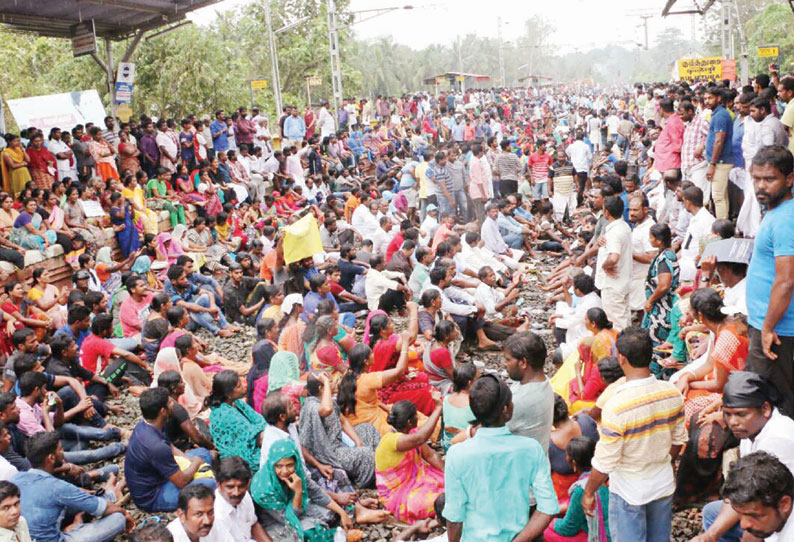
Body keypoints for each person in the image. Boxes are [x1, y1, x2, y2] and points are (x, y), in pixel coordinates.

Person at [582, 327, 686, 542]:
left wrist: (589, 491)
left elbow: (605, 461)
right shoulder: (672, 393)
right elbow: (678, 441)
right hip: (662, 483)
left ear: (621, 358)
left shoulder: (617, 406)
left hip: (630, 489)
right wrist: (667, 463)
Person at [443, 374, 559, 542]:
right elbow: (548, 508)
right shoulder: (531, 449)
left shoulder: (457, 454)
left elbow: (454, 516)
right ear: (505, 409)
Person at [695, 371, 794, 542]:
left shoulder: (778, 439)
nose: (732, 421)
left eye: (740, 414)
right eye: (728, 413)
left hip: (779, 513)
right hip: (767, 506)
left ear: (765, 409)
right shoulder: (750, 430)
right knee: (711, 512)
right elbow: (742, 489)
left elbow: (771, 501)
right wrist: (710, 536)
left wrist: (752, 534)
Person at [744, 146, 794, 416]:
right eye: (756, 178)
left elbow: (786, 281)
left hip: (777, 332)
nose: (761, 186)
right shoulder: (776, 213)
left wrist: (767, 328)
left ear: (789, 179)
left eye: (770, 179)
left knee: (777, 404)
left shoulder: (786, 219)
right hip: (767, 325)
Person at [15, 432, 130, 542]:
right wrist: (125, 514)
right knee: (118, 518)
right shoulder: (57, 487)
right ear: (51, 458)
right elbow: (104, 509)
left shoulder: (16, 478)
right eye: (60, 449)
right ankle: (112, 494)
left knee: (78, 500)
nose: (63, 452)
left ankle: (110, 494)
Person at [126, 388, 215, 513]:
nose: (173, 404)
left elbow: (171, 447)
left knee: (203, 453)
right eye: (170, 403)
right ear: (163, 411)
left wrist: (189, 461)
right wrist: (195, 463)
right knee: (211, 484)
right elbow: (181, 481)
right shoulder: (156, 446)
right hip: (153, 496)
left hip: (160, 475)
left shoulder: (147, 424)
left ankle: (201, 470)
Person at [251, 439, 348, 542]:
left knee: (334, 509)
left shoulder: (298, 472)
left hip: (297, 508)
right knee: (308, 533)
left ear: (295, 463)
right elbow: (290, 518)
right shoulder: (264, 489)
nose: (284, 471)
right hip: (278, 522)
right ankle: (339, 535)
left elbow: (316, 493)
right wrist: (298, 492)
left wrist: (342, 513)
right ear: (272, 464)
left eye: (289, 465)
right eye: (279, 466)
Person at [299, 373, 378, 489]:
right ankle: (362, 487)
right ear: (322, 388)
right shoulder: (311, 406)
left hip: (340, 440)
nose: (334, 383)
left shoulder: (330, 401)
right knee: (366, 454)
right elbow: (303, 445)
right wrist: (319, 465)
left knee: (367, 429)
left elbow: (343, 421)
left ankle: (380, 468)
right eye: (330, 382)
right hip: (330, 452)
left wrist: (358, 441)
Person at [544, 436, 610, 542]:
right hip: (614, 528)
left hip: (602, 536)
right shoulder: (604, 476)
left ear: (574, 462)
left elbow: (568, 528)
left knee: (545, 531)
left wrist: (550, 522)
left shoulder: (581, 489)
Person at [722, 451, 794, 542]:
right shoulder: (776, 520)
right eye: (739, 513)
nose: (743, 524)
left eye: (754, 515)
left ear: (784, 504)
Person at [503, 331, 554, 452]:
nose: (505, 364)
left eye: (508, 360)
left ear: (523, 363)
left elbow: (489, 432)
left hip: (521, 467)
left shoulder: (520, 401)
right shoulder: (543, 382)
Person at [208, 370, 267, 474]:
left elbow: (259, 420)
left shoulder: (237, 403)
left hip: (255, 442)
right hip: (240, 457)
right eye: (239, 386)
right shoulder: (223, 414)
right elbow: (251, 438)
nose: (244, 386)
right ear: (228, 393)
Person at [595, 196, 632, 331]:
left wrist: (605, 266)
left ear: (606, 212)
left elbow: (614, 257)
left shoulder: (615, 232)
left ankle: (621, 350)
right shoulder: (623, 227)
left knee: (616, 322)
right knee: (623, 318)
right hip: (621, 282)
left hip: (613, 284)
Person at [213, 457, 272, 542]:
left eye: (241, 486)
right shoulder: (216, 514)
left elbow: (253, 524)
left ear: (248, 483)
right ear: (218, 485)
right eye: (230, 487)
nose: (236, 493)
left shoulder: (245, 496)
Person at [641, 223, 678, 346]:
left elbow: (664, 285)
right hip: (663, 305)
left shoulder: (664, 258)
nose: (649, 240)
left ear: (659, 240)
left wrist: (650, 301)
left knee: (656, 344)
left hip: (662, 309)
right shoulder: (669, 253)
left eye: (651, 237)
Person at [704, 87, 734, 220]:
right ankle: (724, 223)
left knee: (718, 196)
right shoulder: (717, 114)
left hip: (720, 162)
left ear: (719, 98)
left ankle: (722, 228)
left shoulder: (721, 115)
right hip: (719, 161)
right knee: (722, 195)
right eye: (705, 98)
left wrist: (712, 163)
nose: (707, 101)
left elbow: (719, 141)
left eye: (710, 98)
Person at [441, 362, 476, 451]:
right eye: (477, 379)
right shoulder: (475, 404)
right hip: (467, 447)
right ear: (470, 383)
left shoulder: (446, 399)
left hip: (448, 445)